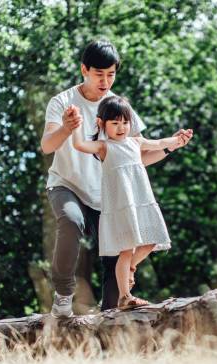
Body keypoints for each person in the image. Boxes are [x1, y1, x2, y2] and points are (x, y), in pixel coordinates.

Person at [41, 40, 193, 317]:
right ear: (84, 70)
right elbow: (48, 146)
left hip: (108, 195)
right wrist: (67, 127)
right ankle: (63, 295)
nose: (105, 81)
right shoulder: (63, 102)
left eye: (111, 74)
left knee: (116, 259)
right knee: (72, 221)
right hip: (67, 184)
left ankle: (109, 316)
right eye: (99, 74)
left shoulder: (119, 107)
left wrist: (170, 146)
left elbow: (137, 157)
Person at [71, 96, 180, 309]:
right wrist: (76, 125)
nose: (121, 128)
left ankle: (129, 269)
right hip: (121, 206)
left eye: (125, 122)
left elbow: (159, 143)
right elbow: (79, 144)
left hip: (141, 201)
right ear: (102, 124)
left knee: (151, 241)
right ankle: (125, 296)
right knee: (127, 249)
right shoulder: (104, 147)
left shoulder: (136, 142)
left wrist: (177, 141)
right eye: (115, 123)